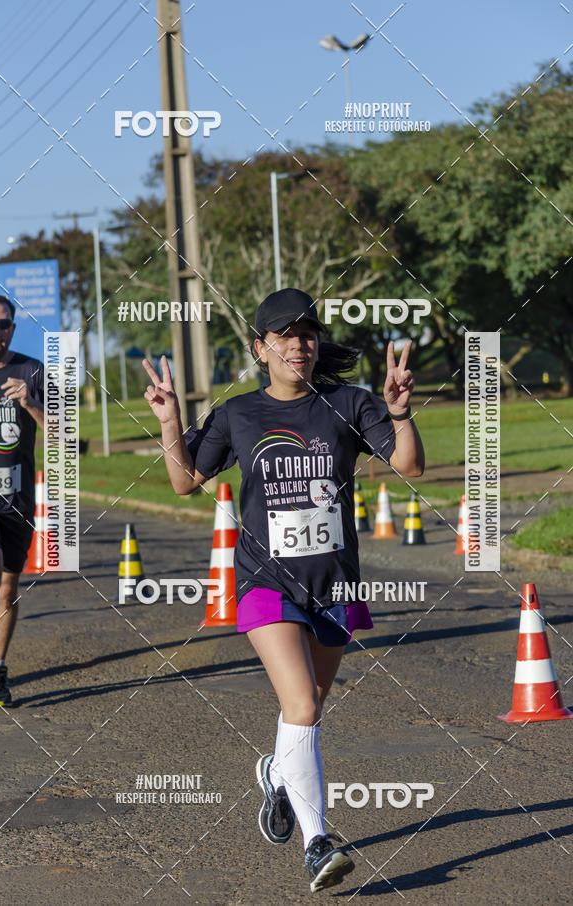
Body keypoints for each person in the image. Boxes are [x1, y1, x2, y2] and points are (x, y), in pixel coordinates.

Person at [142, 287, 424, 893]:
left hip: (335, 585)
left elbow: (409, 466)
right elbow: (185, 480)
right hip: (265, 581)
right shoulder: (239, 413)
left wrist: (399, 410)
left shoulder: (349, 402)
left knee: (309, 712)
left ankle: (276, 772)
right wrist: (169, 421)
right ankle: (317, 842)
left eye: (308, 333)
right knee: (301, 706)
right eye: (285, 336)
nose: (300, 344)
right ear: (260, 348)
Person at [0, 294, 44, 708]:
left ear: (13, 329)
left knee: (7, 588)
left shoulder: (31, 371)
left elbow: (63, 435)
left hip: (17, 496)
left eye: (2, 324)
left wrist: (30, 404)